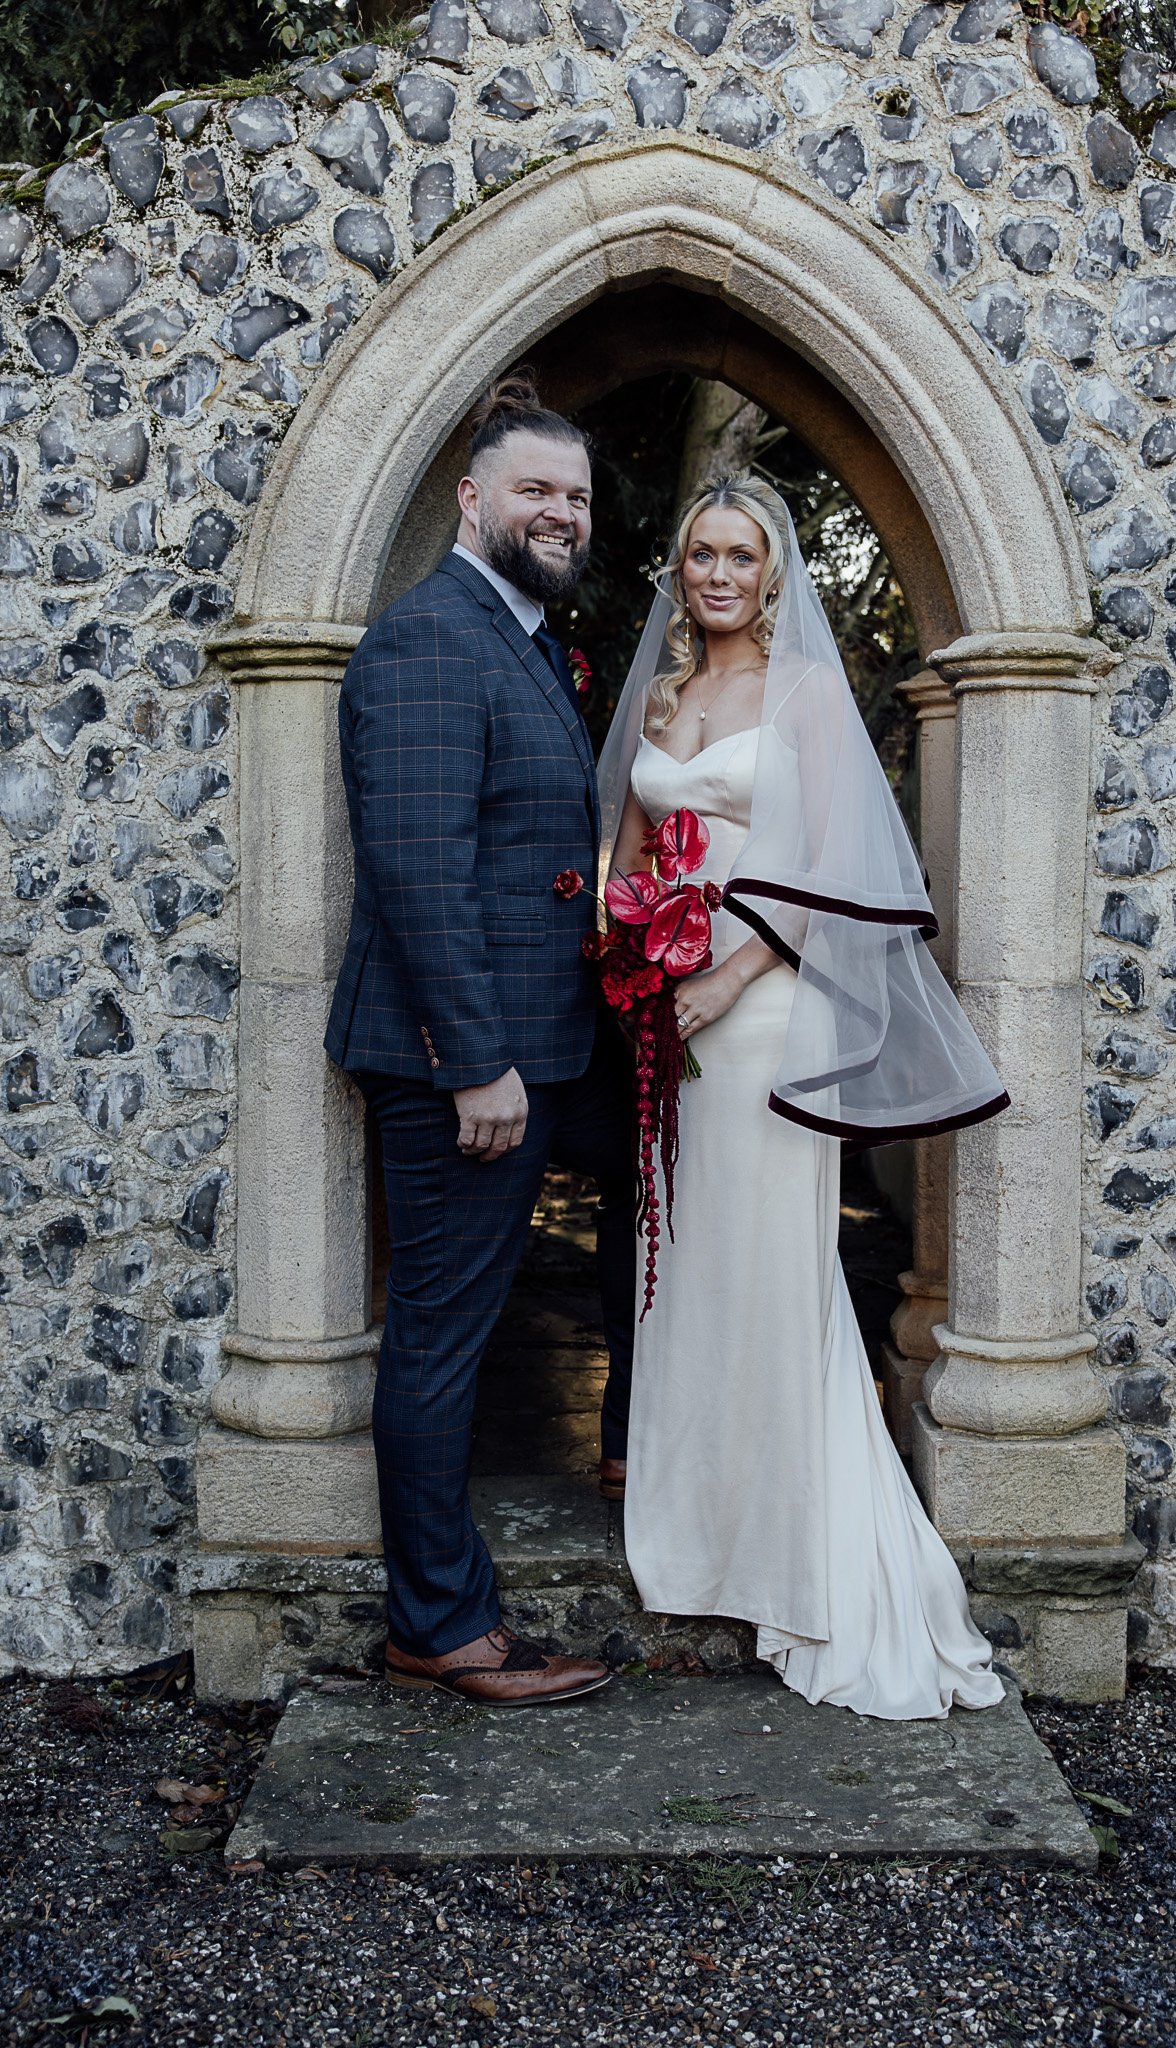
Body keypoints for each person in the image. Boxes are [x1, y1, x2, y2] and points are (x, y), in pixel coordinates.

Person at [597, 474, 1010, 1719]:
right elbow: (625, 848)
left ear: (774, 573)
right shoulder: (664, 694)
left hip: (763, 1003)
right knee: (693, 1261)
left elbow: (834, 863)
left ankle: (802, 1551)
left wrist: (723, 973)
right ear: (680, 569)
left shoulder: (810, 692)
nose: (718, 573)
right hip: (665, 1015)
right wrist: (628, 954)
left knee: (773, 1263)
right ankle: (703, 1524)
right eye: (700, 553)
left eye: (741, 554)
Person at [325, 370, 637, 1705]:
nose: (561, 513)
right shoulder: (428, 642)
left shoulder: (516, 638)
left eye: (575, 495)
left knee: (668, 1195)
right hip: (468, 1065)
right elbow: (417, 871)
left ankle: (642, 1454)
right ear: (472, 499)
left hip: (547, 1045)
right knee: (441, 1340)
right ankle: (440, 1626)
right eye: (535, 491)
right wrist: (476, 1064)